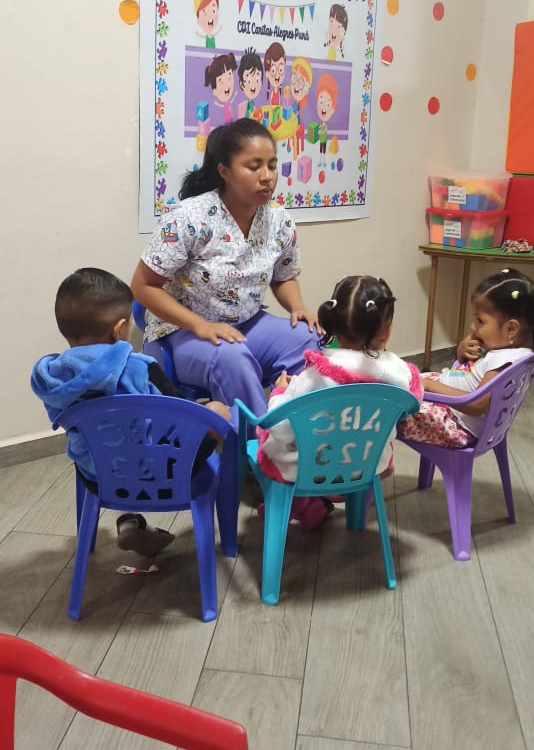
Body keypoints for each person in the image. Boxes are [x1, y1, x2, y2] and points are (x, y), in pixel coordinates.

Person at [31, 268, 231, 557]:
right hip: (165, 474)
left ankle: (129, 519)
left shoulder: (51, 377)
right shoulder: (140, 368)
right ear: (120, 328)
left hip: (96, 474)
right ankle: (228, 539)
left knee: (110, 444)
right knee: (217, 414)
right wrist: (213, 412)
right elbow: (182, 418)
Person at [131, 118, 321, 418]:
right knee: (232, 358)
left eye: (272, 165)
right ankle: (259, 440)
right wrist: (200, 325)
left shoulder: (279, 220)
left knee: (308, 340)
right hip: (181, 333)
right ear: (225, 171)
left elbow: (284, 277)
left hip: (247, 324)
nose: (267, 176)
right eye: (254, 166)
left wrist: (298, 307)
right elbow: (143, 286)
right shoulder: (189, 218)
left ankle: (296, 429)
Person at [256, 275, 423, 529]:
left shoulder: (313, 376)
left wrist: (279, 392)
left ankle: (301, 503)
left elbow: (279, 427)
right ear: (387, 329)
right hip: (367, 463)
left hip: (311, 469)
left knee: (270, 439)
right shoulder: (400, 374)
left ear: (333, 320)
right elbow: (410, 406)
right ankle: (330, 506)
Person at [398, 268, 534, 447]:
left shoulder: (503, 362)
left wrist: (430, 386)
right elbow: (466, 369)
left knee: (390, 409)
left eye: (480, 321)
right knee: (401, 376)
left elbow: (475, 405)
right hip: (449, 400)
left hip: (455, 422)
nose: (473, 326)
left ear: (510, 329)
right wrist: (462, 350)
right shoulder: (510, 349)